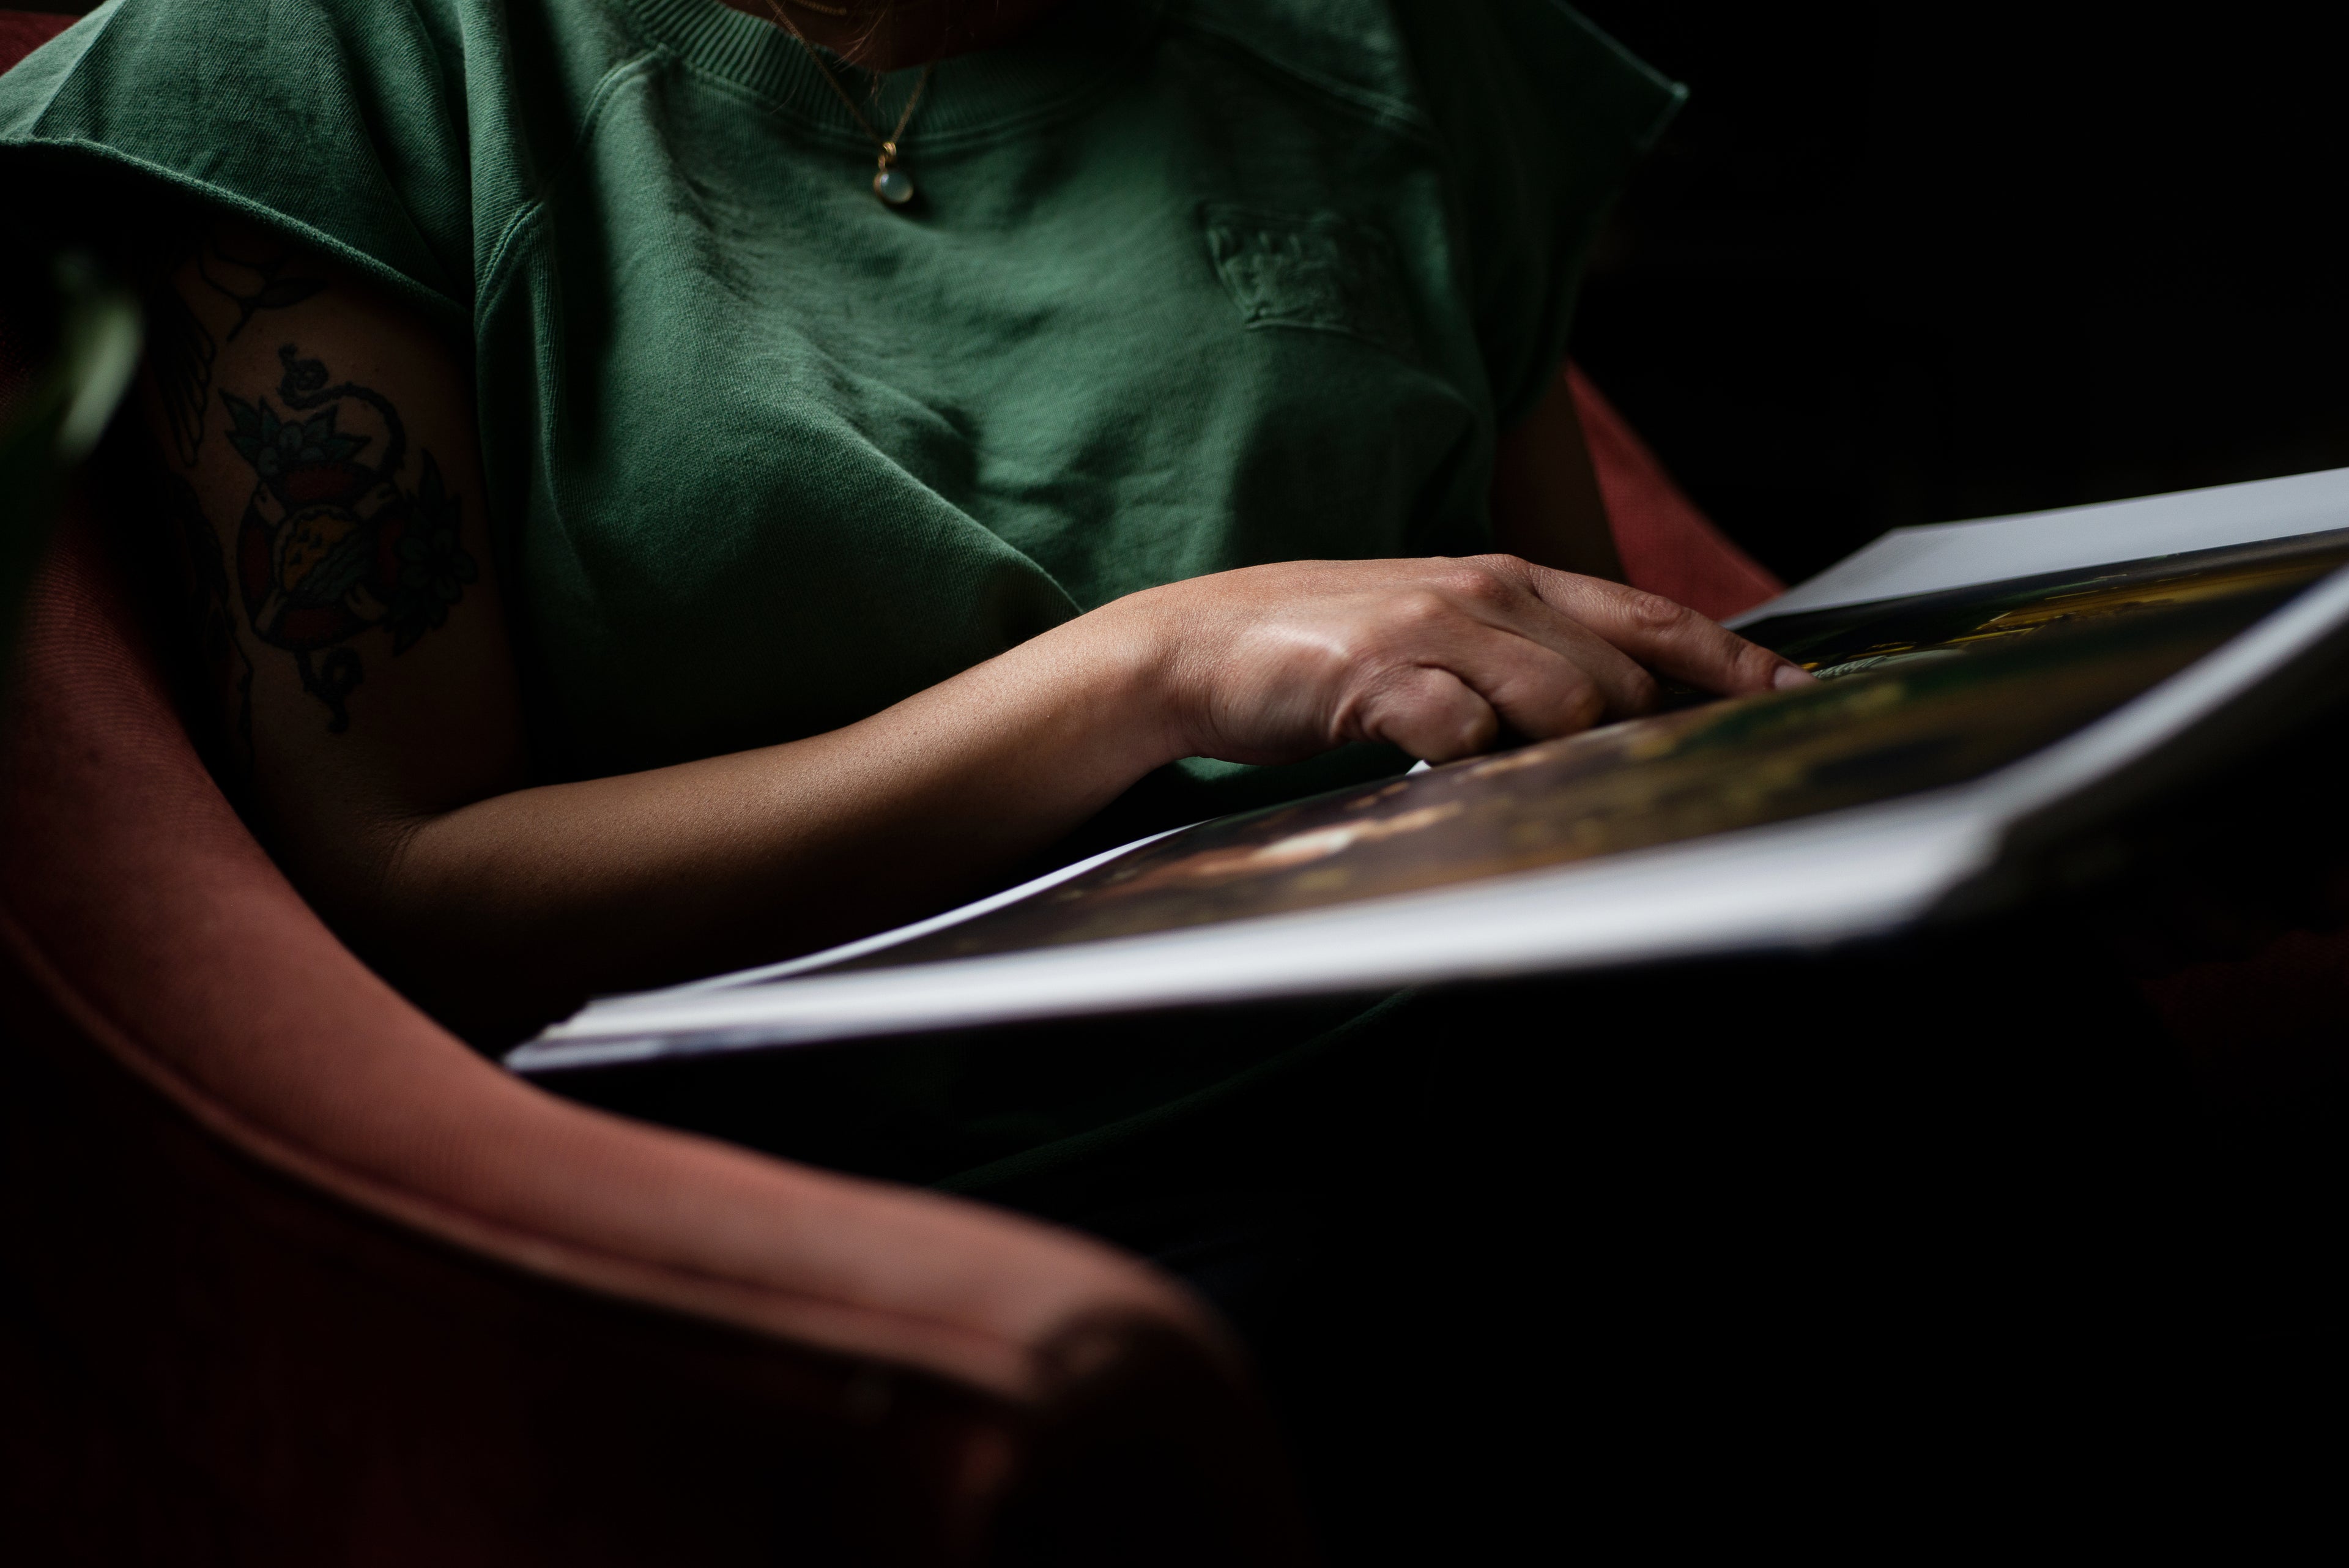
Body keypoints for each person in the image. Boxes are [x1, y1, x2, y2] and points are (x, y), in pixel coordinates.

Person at [2, 0, 1815, 1551]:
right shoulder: (338, 56)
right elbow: (414, 892)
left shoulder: (1391, 38)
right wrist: (1152, 666)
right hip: (943, 1218)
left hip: (1513, 1079)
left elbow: (1583, 681)